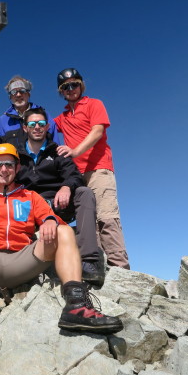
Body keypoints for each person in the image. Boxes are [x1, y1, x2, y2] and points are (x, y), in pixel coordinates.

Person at [0, 143, 123, 359]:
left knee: (63, 231)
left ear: (16, 167)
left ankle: (76, 306)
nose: (3, 169)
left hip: (23, 261)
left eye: (8, 164)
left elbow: (49, 217)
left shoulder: (30, 196)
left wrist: (50, 220)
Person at [6, 107, 104, 285]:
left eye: (41, 124)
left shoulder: (57, 152)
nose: (37, 127)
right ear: (25, 128)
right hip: (31, 207)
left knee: (85, 193)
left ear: (47, 127)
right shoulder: (16, 156)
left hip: (59, 204)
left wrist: (66, 187)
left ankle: (89, 261)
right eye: (32, 124)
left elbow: (74, 175)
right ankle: (13, 260)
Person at [53, 68, 130, 269]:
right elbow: (41, 126)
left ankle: (120, 268)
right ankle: (97, 266)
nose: (71, 89)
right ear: (61, 91)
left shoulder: (94, 104)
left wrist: (75, 151)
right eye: (65, 87)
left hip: (99, 169)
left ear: (81, 85)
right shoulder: (62, 118)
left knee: (107, 218)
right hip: (77, 176)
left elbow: (97, 132)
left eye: (74, 84)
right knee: (89, 224)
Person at [0, 75, 61, 145]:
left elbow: (56, 146)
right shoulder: (0, 123)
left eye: (22, 91)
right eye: (14, 92)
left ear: (28, 94)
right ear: (10, 96)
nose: (18, 95)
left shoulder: (44, 116)